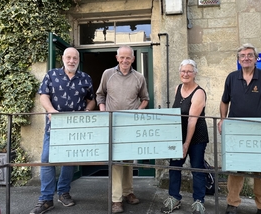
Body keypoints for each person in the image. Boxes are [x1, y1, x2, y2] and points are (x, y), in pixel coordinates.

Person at [30, 47, 96, 214]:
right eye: (69, 57)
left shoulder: (85, 78)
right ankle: (46, 199)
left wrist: (87, 112)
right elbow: (43, 95)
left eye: (75, 58)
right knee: (46, 160)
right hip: (54, 127)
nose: (71, 60)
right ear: (63, 58)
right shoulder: (51, 75)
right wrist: (51, 110)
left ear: (78, 60)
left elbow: (91, 100)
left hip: (75, 128)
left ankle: (64, 193)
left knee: (69, 161)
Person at [218, 43, 261, 214]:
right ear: (239, 60)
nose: (246, 58)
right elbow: (224, 101)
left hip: (259, 131)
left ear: (256, 58)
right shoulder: (231, 77)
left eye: (249, 55)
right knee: (236, 168)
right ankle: (232, 204)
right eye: (243, 56)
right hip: (236, 130)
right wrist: (223, 119)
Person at [96, 45, 149, 213]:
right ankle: (116, 199)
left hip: (131, 125)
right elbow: (100, 95)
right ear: (116, 58)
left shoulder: (139, 77)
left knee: (128, 160)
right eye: (122, 57)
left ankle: (128, 192)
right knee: (117, 162)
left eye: (128, 58)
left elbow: (145, 99)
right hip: (113, 124)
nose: (125, 60)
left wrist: (137, 114)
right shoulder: (107, 74)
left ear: (133, 59)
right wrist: (104, 112)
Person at [160, 59, 209, 214]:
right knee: (174, 167)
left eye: (189, 71)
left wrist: (186, 144)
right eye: (183, 71)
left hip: (196, 137)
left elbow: (192, 120)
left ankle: (198, 202)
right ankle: (174, 198)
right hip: (178, 135)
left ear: (195, 73)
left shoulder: (199, 92)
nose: (185, 74)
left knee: (197, 168)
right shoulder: (178, 88)